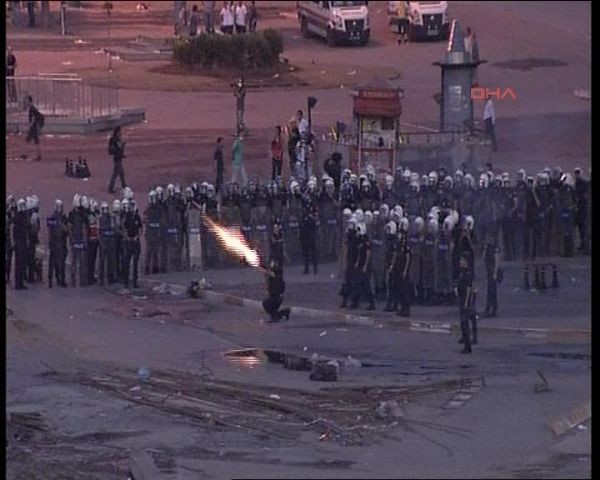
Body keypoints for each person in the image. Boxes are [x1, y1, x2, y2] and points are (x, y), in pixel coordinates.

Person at [350, 223, 375, 310]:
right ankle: (355, 302)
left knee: (366, 285)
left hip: (364, 266)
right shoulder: (358, 240)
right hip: (359, 264)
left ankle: (372, 302)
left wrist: (365, 265)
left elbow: (368, 253)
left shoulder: (365, 240)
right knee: (356, 283)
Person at [456, 255, 476, 353]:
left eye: (462, 260)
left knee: (465, 323)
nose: (460, 262)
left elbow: (469, 288)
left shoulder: (467, 273)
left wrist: (466, 302)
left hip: (465, 301)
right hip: (462, 299)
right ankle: (466, 342)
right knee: (463, 323)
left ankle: (468, 346)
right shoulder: (462, 272)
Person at [122, 199, 143, 289]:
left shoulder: (138, 217)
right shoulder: (127, 216)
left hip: (135, 241)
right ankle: (126, 282)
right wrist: (127, 237)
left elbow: (141, 229)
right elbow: (124, 228)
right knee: (127, 262)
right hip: (128, 242)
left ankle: (135, 282)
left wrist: (137, 237)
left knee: (135, 262)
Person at [13, 198, 30, 290]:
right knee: (20, 263)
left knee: (19, 263)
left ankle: (19, 282)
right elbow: (27, 225)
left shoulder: (17, 216)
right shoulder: (21, 216)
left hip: (18, 242)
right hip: (21, 242)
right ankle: (19, 283)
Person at [482, 233, 501, 318]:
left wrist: (495, 273)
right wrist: (485, 248)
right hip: (488, 271)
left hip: (492, 270)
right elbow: (483, 257)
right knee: (490, 291)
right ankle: (490, 309)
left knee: (492, 291)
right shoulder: (488, 247)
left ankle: (491, 309)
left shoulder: (495, 248)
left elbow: (497, 260)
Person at [299, 196, 318, 275]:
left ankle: (315, 268)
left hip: (311, 232)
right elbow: (300, 223)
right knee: (305, 251)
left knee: (313, 251)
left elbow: (315, 221)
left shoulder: (313, 210)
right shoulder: (302, 211)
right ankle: (306, 268)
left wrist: (310, 217)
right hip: (304, 232)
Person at [108, 127, 127, 193]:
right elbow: (119, 149)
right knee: (116, 174)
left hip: (118, 158)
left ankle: (124, 185)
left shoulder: (115, 140)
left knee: (120, 173)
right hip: (117, 159)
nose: (120, 133)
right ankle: (111, 188)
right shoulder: (116, 140)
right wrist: (123, 145)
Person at [25, 95, 44, 162]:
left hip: (33, 127)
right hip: (35, 127)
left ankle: (26, 154)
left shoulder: (32, 108)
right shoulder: (33, 108)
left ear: (29, 101)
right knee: (36, 141)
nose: (26, 101)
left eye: (27, 100)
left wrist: (30, 125)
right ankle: (38, 155)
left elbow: (33, 118)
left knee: (28, 140)